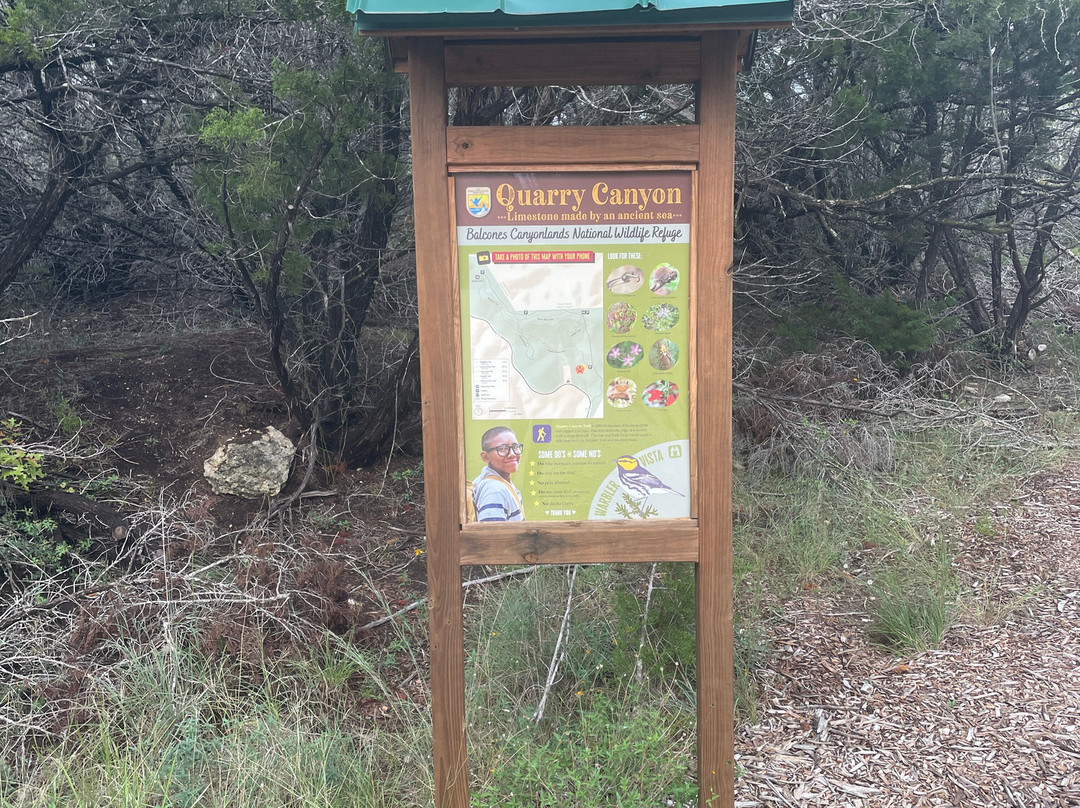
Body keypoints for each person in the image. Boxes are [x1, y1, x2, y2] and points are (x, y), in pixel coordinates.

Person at [471, 426, 525, 522]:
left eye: (515, 447)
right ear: (485, 457)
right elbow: (492, 530)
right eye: (502, 449)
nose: (512, 454)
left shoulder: (502, 483)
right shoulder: (494, 489)